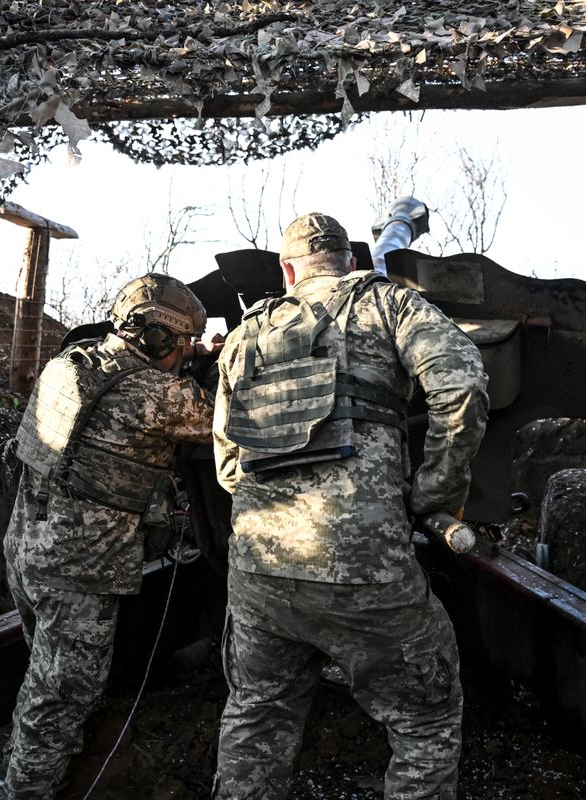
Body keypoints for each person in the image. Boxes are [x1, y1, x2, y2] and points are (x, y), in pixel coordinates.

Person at [211, 213, 489, 799]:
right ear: (351, 260)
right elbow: (461, 384)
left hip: (259, 573)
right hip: (367, 574)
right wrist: (435, 493)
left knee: (258, 717)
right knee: (424, 719)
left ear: (289, 270)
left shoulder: (244, 334)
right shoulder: (388, 305)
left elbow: (229, 465)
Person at [0, 273, 221, 800]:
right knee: (64, 697)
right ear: (153, 337)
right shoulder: (157, 395)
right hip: (79, 570)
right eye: (179, 343)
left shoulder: (70, 363)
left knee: (43, 679)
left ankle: (14, 770)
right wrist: (219, 365)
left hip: (25, 548)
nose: (183, 354)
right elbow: (228, 417)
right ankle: (20, 791)